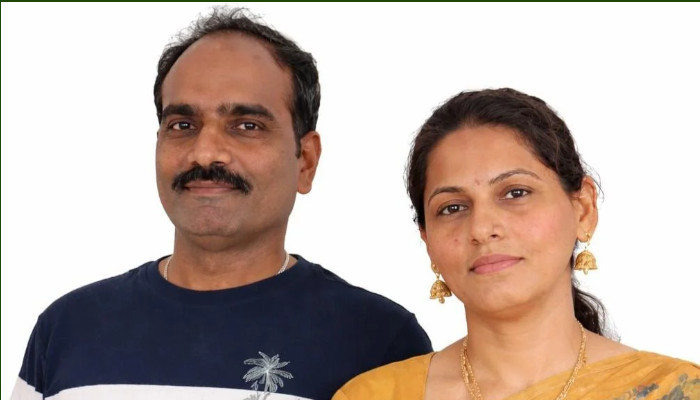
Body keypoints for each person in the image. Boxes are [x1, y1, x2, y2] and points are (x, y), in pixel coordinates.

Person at [10, 7, 431, 400]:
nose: (205, 152)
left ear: (305, 160)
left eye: (246, 125)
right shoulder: (67, 329)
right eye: (182, 124)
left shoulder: (380, 343)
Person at [333, 88, 700, 400]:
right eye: (452, 208)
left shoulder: (675, 390)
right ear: (427, 239)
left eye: (515, 193)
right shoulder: (375, 395)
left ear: (584, 209)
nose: (482, 228)